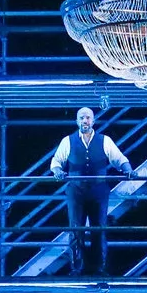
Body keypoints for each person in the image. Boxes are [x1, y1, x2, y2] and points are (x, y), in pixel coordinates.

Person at [51, 106, 134, 276]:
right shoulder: (68, 141)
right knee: (76, 229)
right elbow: (56, 161)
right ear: (77, 121)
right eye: (81, 118)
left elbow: (119, 159)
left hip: (98, 191)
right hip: (76, 191)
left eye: (88, 117)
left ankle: (99, 269)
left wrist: (127, 169)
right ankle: (77, 268)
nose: (85, 121)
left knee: (99, 229)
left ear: (93, 121)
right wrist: (58, 171)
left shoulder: (105, 140)